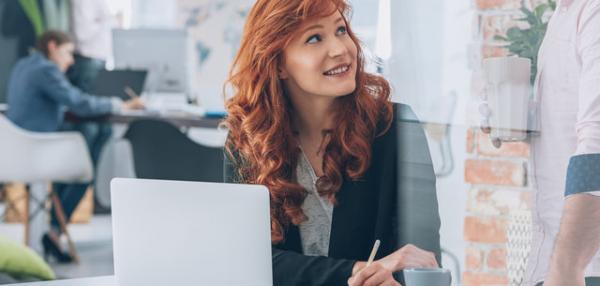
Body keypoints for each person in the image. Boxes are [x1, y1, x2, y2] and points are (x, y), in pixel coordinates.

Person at [222, 1, 440, 285]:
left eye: (340, 30)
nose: (340, 49)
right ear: (278, 65)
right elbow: (245, 260)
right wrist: (355, 271)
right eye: (315, 38)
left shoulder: (394, 127)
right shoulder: (250, 136)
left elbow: (423, 261)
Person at [5, 30, 144, 262]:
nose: (70, 61)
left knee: (97, 132)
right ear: (52, 46)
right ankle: (55, 229)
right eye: (68, 53)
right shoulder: (46, 70)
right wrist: (122, 105)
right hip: (35, 152)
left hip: (15, 150)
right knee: (84, 173)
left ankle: (54, 230)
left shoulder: (23, 65)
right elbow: (79, 103)